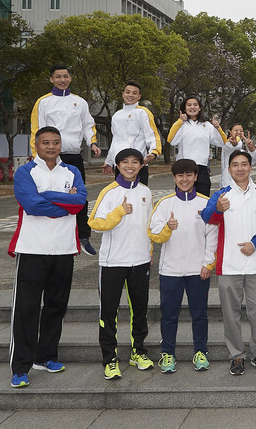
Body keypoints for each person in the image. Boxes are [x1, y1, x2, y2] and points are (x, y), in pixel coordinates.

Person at [8, 126, 88, 388]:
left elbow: (80, 203)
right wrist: (65, 202)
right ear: (36, 144)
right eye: (46, 142)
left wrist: (51, 198)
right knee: (26, 309)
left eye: (55, 142)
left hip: (64, 250)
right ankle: (20, 366)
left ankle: (46, 356)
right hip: (33, 249)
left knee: (56, 306)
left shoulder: (72, 171)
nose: (51, 147)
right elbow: (31, 205)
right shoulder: (25, 172)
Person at [202, 150, 256, 376]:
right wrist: (217, 209)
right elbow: (207, 217)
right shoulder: (222, 195)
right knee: (231, 314)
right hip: (229, 266)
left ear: (250, 167)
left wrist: (255, 244)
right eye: (235, 165)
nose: (240, 168)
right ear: (229, 169)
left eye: (244, 164)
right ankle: (236, 356)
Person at [87, 148, 154, 379]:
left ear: (141, 166)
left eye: (135, 162)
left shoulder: (146, 192)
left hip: (140, 261)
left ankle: (138, 352)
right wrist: (119, 212)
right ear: (117, 165)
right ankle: (110, 359)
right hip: (113, 262)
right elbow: (94, 222)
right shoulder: (109, 192)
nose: (130, 166)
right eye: (125, 162)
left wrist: (149, 250)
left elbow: (149, 226)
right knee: (109, 313)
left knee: (140, 311)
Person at [148, 159, 218, 373]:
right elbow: (154, 233)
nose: (184, 179)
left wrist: (208, 263)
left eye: (189, 175)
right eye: (180, 175)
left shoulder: (206, 203)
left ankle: (200, 352)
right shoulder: (165, 204)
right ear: (174, 178)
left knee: (200, 314)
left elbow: (212, 236)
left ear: (196, 177)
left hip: (199, 271)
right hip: (171, 270)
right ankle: (168, 354)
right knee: (169, 314)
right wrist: (167, 227)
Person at [30, 64, 101, 255]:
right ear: (51, 79)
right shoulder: (43, 102)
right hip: (51, 156)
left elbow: (88, 125)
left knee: (79, 195)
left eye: (66, 76)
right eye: (58, 76)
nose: (62, 80)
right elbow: (36, 130)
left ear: (70, 78)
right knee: (51, 193)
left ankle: (83, 236)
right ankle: (52, 234)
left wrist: (92, 143)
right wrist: (38, 157)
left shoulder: (80, 102)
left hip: (73, 156)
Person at [103, 80, 161, 186]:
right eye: (128, 92)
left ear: (139, 96)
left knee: (139, 198)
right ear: (123, 94)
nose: (130, 95)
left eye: (134, 93)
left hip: (138, 165)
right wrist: (109, 162)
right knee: (121, 198)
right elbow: (115, 140)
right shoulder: (117, 115)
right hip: (121, 165)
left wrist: (154, 152)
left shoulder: (143, 112)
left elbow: (152, 135)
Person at [166, 96, 227, 196]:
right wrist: (179, 122)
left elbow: (221, 142)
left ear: (199, 108)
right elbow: (171, 141)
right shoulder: (181, 124)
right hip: (184, 167)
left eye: (195, 105)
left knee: (203, 198)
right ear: (184, 108)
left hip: (202, 168)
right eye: (189, 105)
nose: (192, 107)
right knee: (183, 198)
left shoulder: (206, 125)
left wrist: (217, 128)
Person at [220, 123, 256, 189]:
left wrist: (251, 148)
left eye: (241, 131)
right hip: (228, 185)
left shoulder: (242, 150)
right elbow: (233, 147)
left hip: (244, 185)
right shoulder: (227, 146)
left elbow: (252, 160)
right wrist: (234, 143)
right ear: (230, 132)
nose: (239, 132)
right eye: (236, 130)